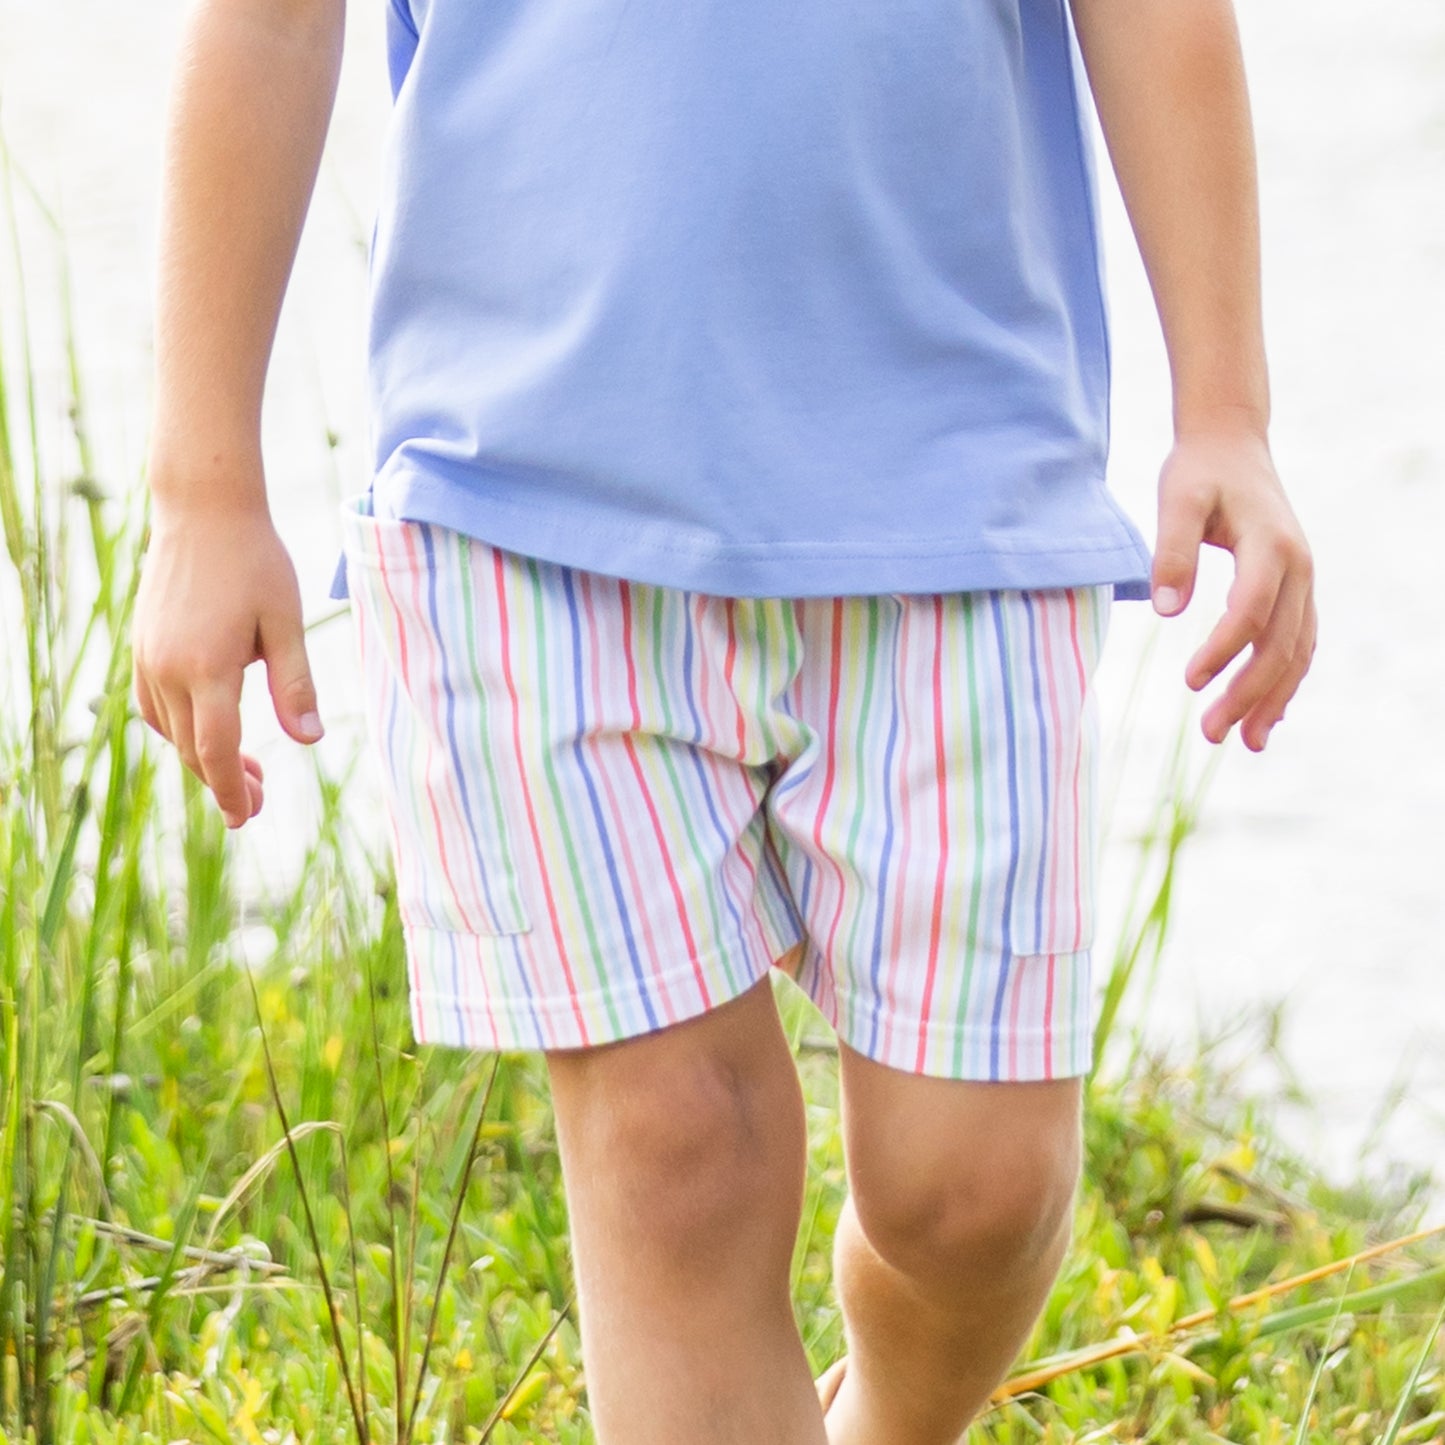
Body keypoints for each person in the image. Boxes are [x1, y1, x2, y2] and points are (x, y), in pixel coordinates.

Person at [131, 0, 1316, 1439]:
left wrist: (1225, 410)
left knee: (974, 1190)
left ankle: (883, 1412)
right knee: (676, 1149)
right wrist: (205, 491)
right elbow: (266, 23)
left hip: (956, 489)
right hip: (521, 504)